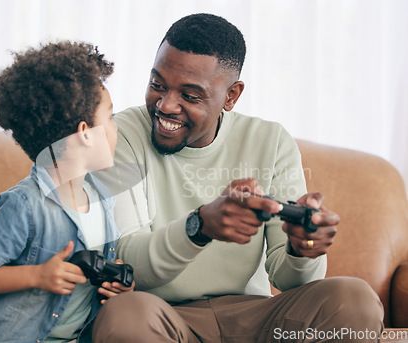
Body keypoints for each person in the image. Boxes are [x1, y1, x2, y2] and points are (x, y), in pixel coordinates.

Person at [92, 13, 384, 343]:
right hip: (163, 317)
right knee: (124, 316)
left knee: (354, 300)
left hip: (255, 318)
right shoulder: (122, 134)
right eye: (158, 84)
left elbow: (291, 281)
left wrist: (303, 248)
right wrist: (198, 227)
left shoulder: (270, 141)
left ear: (231, 96)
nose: (166, 105)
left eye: (190, 95)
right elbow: (129, 260)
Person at [0, 41, 133, 343]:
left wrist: (114, 284)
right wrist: (37, 276)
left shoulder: (103, 200)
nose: (117, 129)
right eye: (111, 119)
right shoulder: (24, 205)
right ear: (85, 134)